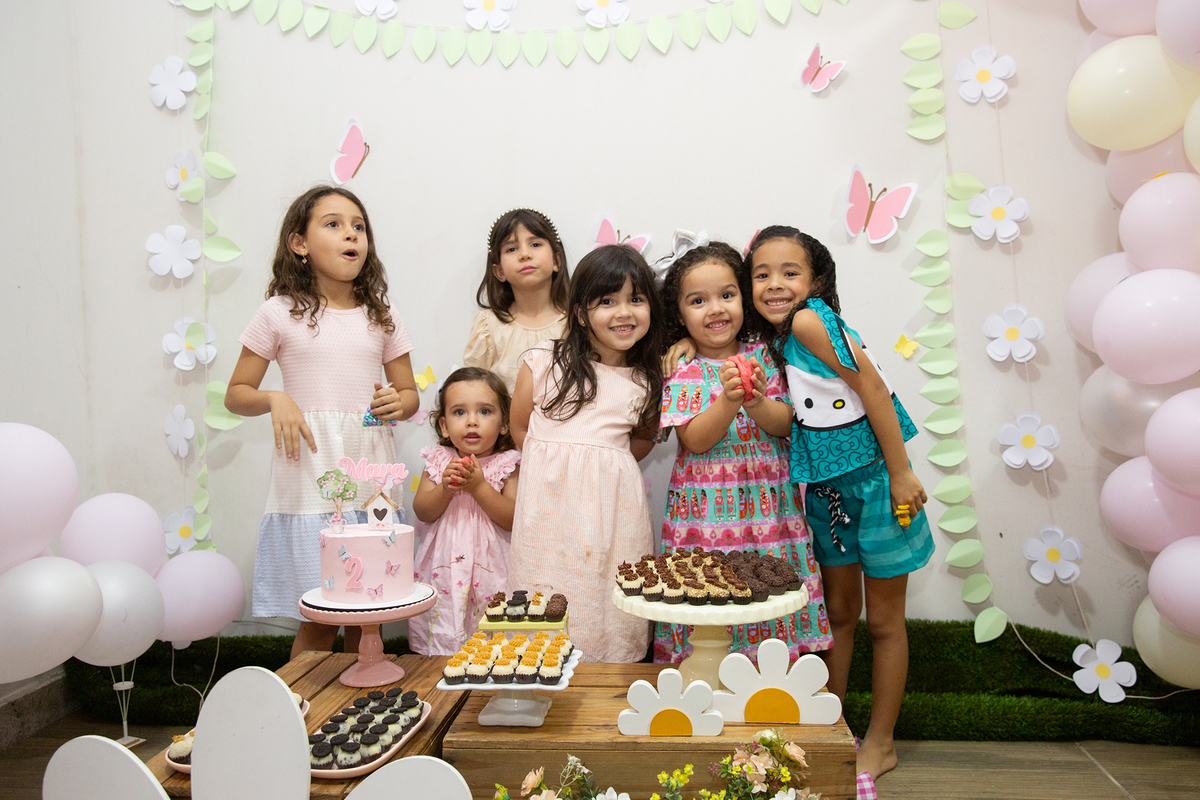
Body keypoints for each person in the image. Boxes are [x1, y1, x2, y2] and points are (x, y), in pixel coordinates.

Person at [753, 225, 933, 783]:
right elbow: (797, 418)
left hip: (878, 482)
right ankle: (831, 725)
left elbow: (875, 390)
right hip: (828, 491)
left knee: (882, 620)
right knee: (839, 615)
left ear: (817, 280)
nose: (775, 284)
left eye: (790, 272)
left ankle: (881, 742)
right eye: (762, 274)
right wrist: (756, 399)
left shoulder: (809, 319)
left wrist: (901, 472)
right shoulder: (782, 340)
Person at [226, 185, 419, 659]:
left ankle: (361, 706)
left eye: (358, 226)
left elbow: (410, 394)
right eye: (333, 224)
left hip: (368, 473)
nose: (350, 234)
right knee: (321, 612)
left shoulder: (383, 313)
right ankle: (304, 714)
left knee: (365, 611)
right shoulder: (278, 313)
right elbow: (236, 395)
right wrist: (276, 399)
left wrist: (400, 402)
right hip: (312, 471)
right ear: (300, 243)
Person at [654, 241, 831, 663]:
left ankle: (773, 683)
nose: (715, 309)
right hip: (707, 517)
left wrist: (755, 402)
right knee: (713, 609)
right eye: (698, 301)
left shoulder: (767, 355)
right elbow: (694, 439)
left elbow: (789, 423)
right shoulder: (684, 368)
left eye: (726, 295)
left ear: (743, 299)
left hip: (769, 512)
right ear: (680, 316)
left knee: (771, 600)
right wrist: (729, 401)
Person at [507, 244, 665, 663]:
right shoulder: (544, 361)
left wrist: (604, 463)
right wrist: (557, 467)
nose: (624, 312)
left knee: (609, 594)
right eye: (607, 301)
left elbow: (645, 437)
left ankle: (613, 672)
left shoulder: (646, 380)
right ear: (580, 313)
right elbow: (519, 426)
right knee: (547, 589)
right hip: (548, 514)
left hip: (614, 513)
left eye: (636, 299)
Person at [409, 367, 520, 655]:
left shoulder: (508, 464)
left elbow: (512, 519)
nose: (472, 421)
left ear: (504, 423)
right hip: (443, 567)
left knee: (492, 637)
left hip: (493, 567)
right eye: (460, 413)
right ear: (444, 426)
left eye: (484, 411)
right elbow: (422, 511)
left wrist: (479, 487)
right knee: (443, 622)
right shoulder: (438, 460)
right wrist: (445, 489)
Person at [463, 209, 570, 393]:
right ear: (499, 272)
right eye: (511, 249)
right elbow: (474, 391)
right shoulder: (488, 326)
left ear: (556, 260)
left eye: (535, 244)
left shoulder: (575, 322)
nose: (525, 254)